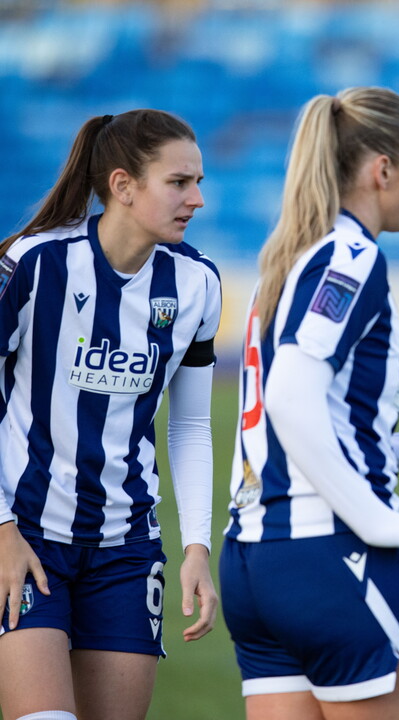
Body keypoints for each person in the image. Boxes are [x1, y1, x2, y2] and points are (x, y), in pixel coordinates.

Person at [219, 87, 399, 720]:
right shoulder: (349, 258)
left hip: (253, 563)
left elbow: (320, 425)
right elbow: (290, 396)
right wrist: (377, 520)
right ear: (380, 169)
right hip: (332, 554)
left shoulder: (284, 263)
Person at [0, 109, 220, 720]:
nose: (197, 199)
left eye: (198, 182)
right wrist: (0, 530)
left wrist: (197, 546)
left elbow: (191, 424)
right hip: (24, 536)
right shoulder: (33, 264)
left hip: (126, 552)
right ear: (123, 186)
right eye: (179, 183)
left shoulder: (197, 284)